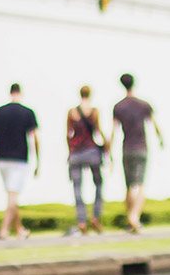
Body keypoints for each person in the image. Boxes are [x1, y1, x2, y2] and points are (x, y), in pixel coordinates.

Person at [111, 73, 164, 232]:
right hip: (141, 147)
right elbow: (154, 125)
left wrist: (108, 150)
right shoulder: (144, 105)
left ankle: (130, 219)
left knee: (128, 186)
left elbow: (113, 131)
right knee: (140, 185)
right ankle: (135, 217)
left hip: (126, 148)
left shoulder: (118, 107)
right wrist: (161, 139)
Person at [0, 83, 40, 240]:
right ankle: (4, 231)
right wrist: (38, 160)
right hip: (19, 159)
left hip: (2, 158)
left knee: (12, 193)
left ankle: (19, 229)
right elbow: (35, 138)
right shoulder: (28, 113)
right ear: (20, 93)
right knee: (13, 195)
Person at [66, 86, 107, 233]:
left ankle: (82, 220)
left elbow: (69, 134)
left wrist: (69, 152)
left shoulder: (72, 112)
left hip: (76, 152)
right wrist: (107, 149)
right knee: (98, 184)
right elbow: (98, 131)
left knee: (77, 188)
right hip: (91, 151)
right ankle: (96, 216)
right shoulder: (94, 111)